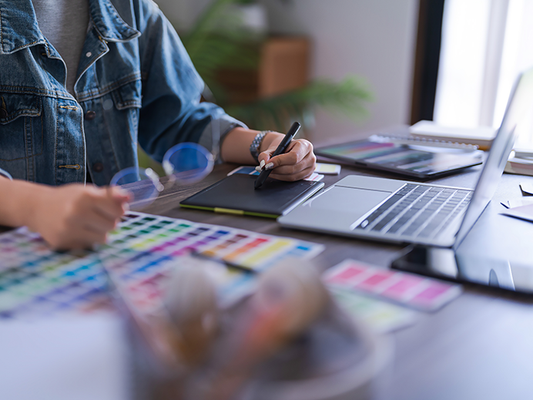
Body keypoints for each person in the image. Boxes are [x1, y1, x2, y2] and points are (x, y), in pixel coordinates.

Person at [0, 0, 316, 250]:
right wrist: (33, 206)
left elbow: (180, 120)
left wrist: (263, 144)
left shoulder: (132, 8)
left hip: (110, 248)